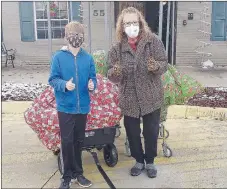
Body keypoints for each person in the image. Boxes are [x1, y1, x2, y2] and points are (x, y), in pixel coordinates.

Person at [107, 7, 168, 178]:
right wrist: (116, 71)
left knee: (151, 131)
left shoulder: (153, 41)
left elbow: (163, 63)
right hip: (129, 96)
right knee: (132, 131)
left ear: (140, 23)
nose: (131, 26)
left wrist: (155, 66)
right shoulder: (117, 47)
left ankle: (150, 162)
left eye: (134, 22)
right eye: (127, 23)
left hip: (151, 94)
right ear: (122, 26)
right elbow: (110, 72)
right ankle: (138, 161)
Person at [48, 21, 97, 189]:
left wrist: (92, 85)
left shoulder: (88, 58)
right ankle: (66, 177)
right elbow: (53, 79)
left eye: (79, 35)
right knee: (67, 142)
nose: (76, 38)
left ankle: (78, 173)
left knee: (79, 141)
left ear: (83, 38)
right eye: (72, 35)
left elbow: (93, 78)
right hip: (65, 107)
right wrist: (64, 85)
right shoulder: (58, 57)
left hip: (82, 107)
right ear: (65, 37)